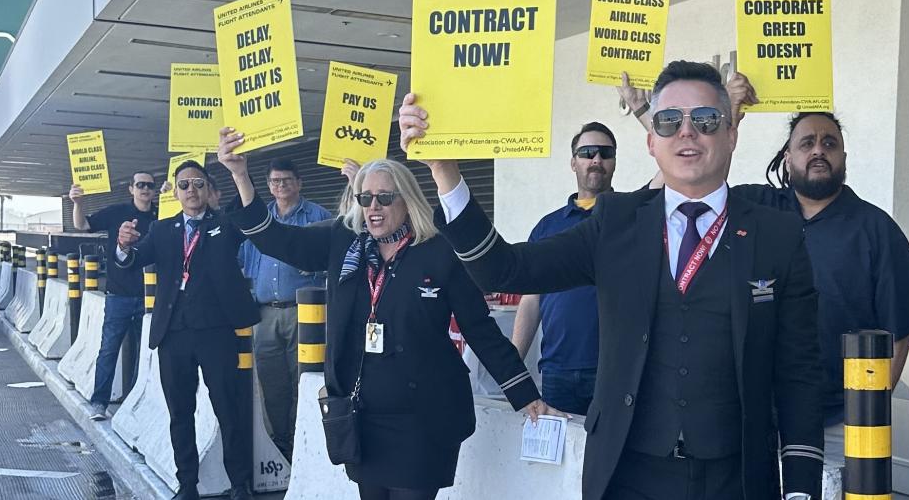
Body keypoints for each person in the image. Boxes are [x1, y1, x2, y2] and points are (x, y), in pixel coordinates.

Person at [399, 61, 823, 500]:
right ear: (651, 141)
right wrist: (443, 169)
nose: (687, 132)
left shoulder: (778, 235)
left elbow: (799, 374)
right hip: (628, 475)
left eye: (706, 120)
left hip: (737, 478)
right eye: (669, 121)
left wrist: (801, 489)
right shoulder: (615, 223)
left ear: (731, 133)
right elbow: (503, 269)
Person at [218, 129, 551, 500]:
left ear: (406, 200)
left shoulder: (438, 250)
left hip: (424, 419)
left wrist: (524, 392)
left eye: (384, 198)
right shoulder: (344, 243)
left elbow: (479, 327)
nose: (373, 207)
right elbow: (277, 240)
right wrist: (239, 176)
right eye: (365, 198)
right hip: (363, 416)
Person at [698, 71, 909, 470]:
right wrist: (731, 115)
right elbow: (700, 182)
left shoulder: (875, 228)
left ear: (844, 157)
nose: (818, 150)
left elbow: (898, 333)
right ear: (788, 159)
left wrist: (867, 413)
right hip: (754, 414)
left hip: (840, 422)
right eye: (807, 143)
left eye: (830, 143)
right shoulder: (758, 210)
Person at [115, 160, 260, 500]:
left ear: (209, 190)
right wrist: (123, 246)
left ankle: (239, 484)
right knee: (181, 413)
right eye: (184, 185)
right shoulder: (162, 230)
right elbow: (132, 260)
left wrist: (240, 173)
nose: (191, 190)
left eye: (198, 183)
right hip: (174, 335)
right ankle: (188, 485)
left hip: (217, 333)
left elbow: (250, 211)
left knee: (229, 408)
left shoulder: (225, 225)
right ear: (175, 192)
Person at [510, 121, 617, 415]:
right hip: (557, 372)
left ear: (614, 161)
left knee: (611, 460)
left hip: (614, 371)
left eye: (605, 153)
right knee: (558, 461)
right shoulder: (548, 226)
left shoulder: (629, 217)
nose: (596, 159)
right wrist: (513, 365)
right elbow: (530, 300)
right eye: (587, 152)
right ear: (573, 162)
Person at [237, 158, 331, 462]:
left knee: (304, 379)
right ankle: (282, 443)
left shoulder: (318, 216)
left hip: (305, 314)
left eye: (287, 180)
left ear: (299, 183)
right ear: (268, 186)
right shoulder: (260, 220)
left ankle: (304, 440)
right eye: (275, 181)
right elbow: (246, 259)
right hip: (265, 314)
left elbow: (335, 260)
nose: (281, 186)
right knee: (272, 381)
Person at [69, 172, 157, 421]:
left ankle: (137, 401)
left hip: (151, 298)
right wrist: (77, 203)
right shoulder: (117, 212)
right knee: (108, 349)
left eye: (150, 186)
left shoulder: (161, 215)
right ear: (131, 188)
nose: (145, 189)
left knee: (146, 354)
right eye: (140, 185)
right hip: (118, 295)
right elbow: (82, 225)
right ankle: (99, 402)